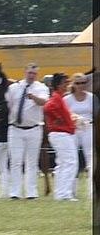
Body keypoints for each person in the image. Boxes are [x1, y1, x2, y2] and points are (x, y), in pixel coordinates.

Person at [5, 63, 49, 199]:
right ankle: (15, 192)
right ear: (25, 72)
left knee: (32, 161)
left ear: (37, 75)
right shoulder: (14, 88)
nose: (31, 75)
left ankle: (31, 192)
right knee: (16, 161)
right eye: (29, 72)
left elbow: (44, 102)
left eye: (34, 73)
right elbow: (8, 105)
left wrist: (33, 97)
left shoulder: (41, 87)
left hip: (34, 128)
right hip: (15, 129)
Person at [44, 73, 78, 201]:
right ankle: (65, 193)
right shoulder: (57, 98)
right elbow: (48, 107)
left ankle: (61, 192)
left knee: (63, 163)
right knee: (70, 162)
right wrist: (57, 118)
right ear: (58, 85)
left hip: (60, 133)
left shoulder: (59, 98)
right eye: (65, 83)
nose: (67, 85)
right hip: (61, 134)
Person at [65, 73, 96, 199]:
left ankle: (92, 191)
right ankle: (70, 191)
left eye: (83, 83)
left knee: (91, 159)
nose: (81, 86)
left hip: (88, 128)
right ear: (73, 84)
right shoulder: (67, 99)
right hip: (73, 130)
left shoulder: (91, 98)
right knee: (72, 159)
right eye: (78, 83)